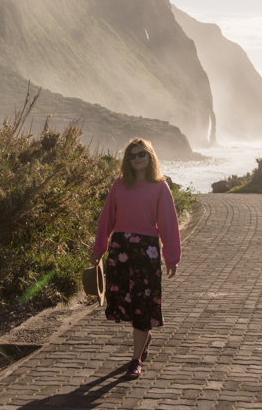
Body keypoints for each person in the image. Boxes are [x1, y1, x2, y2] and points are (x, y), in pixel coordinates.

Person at [90, 138, 181, 379]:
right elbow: (106, 218)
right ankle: (145, 336)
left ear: (150, 156)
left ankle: (135, 359)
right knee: (126, 303)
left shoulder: (160, 187)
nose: (137, 158)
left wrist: (171, 257)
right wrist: (98, 249)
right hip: (120, 251)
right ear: (127, 160)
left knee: (142, 305)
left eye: (141, 154)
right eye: (132, 155)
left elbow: (168, 224)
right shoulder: (119, 185)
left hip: (146, 252)